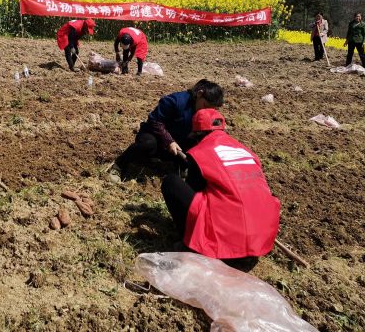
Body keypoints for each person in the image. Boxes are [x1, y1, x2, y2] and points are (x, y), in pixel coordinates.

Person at [160, 108, 280, 272]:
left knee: (171, 182)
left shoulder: (199, 153)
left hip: (226, 241)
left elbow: (194, 191)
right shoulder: (246, 152)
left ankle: (189, 244)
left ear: (196, 134)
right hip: (260, 237)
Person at [108, 79, 224, 182]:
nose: (207, 111)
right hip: (155, 136)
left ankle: (184, 171)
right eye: (205, 105)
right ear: (199, 94)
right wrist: (169, 141)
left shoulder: (203, 111)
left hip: (178, 143)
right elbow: (155, 121)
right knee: (147, 144)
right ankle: (119, 166)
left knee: (195, 147)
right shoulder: (176, 101)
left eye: (211, 109)